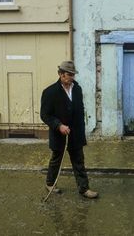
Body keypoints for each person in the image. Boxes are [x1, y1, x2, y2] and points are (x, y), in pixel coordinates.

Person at [40, 60, 98, 199]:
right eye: (68, 74)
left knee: (79, 160)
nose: (71, 77)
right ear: (60, 74)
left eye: (73, 74)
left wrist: (81, 130)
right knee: (56, 159)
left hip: (75, 133)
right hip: (59, 133)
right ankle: (50, 183)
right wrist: (58, 125)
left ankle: (84, 189)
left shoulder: (77, 89)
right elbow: (45, 115)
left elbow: (80, 109)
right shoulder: (50, 92)